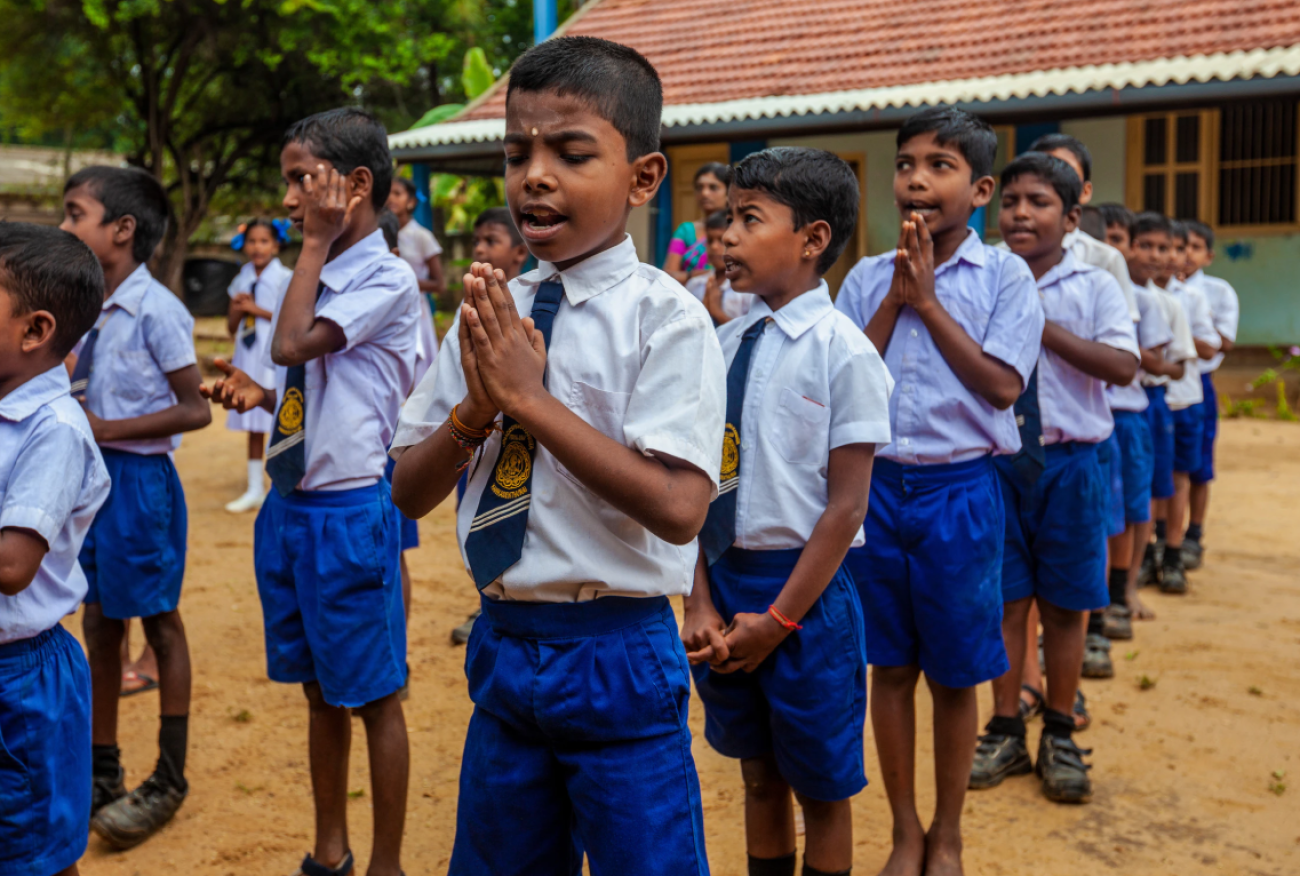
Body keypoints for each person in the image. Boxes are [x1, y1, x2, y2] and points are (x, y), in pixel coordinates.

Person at [389, 36, 725, 875]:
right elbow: (405, 489)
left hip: (618, 651)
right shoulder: (492, 313)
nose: (534, 175)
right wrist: (477, 406)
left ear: (643, 178)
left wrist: (530, 403)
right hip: (504, 646)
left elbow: (682, 510)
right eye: (517, 153)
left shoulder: (667, 320)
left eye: (571, 153)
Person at [203, 108, 421, 876]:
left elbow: (293, 343)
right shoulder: (322, 273)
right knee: (319, 693)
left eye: (303, 179)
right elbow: (314, 384)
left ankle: (387, 863)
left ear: (355, 185)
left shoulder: (385, 278)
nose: (289, 200)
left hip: (349, 515)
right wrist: (264, 401)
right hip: (291, 509)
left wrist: (317, 243)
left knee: (373, 698)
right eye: (288, 180)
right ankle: (330, 849)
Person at [834, 107, 1044, 876]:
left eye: (941, 165)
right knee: (889, 667)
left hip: (961, 493)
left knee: (957, 673)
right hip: (878, 492)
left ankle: (948, 832)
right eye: (907, 163)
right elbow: (846, 382)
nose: (917, 179)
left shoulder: (1005, 278)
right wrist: (896, 295)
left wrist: (928, 302)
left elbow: (999, 387)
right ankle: (903, 829)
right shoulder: (863, 278)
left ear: (981, 188)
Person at [683, 147, 893, 876]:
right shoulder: (722, 342)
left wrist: (778, 622)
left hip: (805, 599)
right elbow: (697, 487)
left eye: (749, 219)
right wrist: (699, 599)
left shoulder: (846, 353)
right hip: (725, 585)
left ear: (812, 239)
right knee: (757, 772)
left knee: (822, 789)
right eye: (726, 219)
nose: (726, 237)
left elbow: (845, 508)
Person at [969, 153, 1138, 804]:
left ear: (1071, 219)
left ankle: (1061, 729)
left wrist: (1043, 327)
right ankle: (1007, 723)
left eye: (1038, 203)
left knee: (1067, 605)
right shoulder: (985, 281)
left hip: (1070, 465)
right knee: (1007, 601)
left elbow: (1122, 366)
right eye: (1009, 202)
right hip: (1002, 463)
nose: (1019, 214)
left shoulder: (1093, 285)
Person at [58, 166, 212, 848]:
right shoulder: (86, 304)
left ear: (121, 230)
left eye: (75, 213)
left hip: (141, 485)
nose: (65, 227)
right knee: (98, 621)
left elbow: (194, 408)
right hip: (92, 483)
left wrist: (106, 430)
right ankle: (102, 767)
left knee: (160, 623)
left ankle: (169, 774)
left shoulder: (157, 310)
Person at [0, 222, 111, 876]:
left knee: (33, 849)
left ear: (36, 331)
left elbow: (13, 565)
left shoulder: (55, 429)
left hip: (21, 681)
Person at [448, 207, 533, 647]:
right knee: (478, 517)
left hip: (521, 458)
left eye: (491, 241)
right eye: (477, 241)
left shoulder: (532, 313)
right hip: (476, 448)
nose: (480, 249)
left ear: (520, 252)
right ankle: (483, 598)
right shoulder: (469, 316)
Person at [1099, 206, 1175, 631]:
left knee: (1132, 507)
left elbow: (1158, 362)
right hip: (1093, 418)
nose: (1112, 247)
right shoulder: (1086, 286)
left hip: (1128, 415)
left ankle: (1125, 589)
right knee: (1103, 514)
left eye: (1118, 238)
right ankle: (1101, 598)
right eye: (1105, 238)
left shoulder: (1145, 300)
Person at [1150, 222, 1219, 594]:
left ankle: (1174, 553)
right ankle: (1151, 551)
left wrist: (1175, 337)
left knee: (1179, 478)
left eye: (1174, 249)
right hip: (1153, 399)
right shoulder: (1133, 295)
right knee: (1150, 481)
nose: (1168, 257)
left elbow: (1209, 345)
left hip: (1185, 398)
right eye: (1158, 249)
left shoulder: (1190, 298)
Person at [1129, 214, 1198, 592]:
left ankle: (1172, 554)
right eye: (1146, 246)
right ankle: (1148, 556)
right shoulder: (1118, 291)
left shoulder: (1168, 304)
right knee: (1140, 487)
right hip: (1128, 401)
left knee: (1168, 481)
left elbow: (1179, 364)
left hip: (1164, 400)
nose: (1156, 255)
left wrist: (1141, 359)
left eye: (1164, 248)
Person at [1025, 134, 1139, 321]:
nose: (1049, 186)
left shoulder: (1105, 259)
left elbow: (1120, 340)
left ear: (1085, 192)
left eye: (1065, 175)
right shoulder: (1002, 256)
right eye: (1039, 175)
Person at [223, 218, 293, 513]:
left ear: (276, 245)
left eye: (264, 241)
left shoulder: (285, 277)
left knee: (280, 417)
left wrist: (257, 310)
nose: (257, 247)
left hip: (271, 356)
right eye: (251, 241)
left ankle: (283, 481)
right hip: (247, 356)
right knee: (253, 422)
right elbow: (230, 326)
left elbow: (289, 320)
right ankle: (254, 487)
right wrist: (239, 308)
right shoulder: (242, 277)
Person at [1181, 220, 1238, 569]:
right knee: (1166, 466)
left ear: (1209, 256)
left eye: (1195, 247)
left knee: (1199, 465)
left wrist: (1180, 336)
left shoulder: (1219, 292)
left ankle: (1193, 534)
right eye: (1180, 245)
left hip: (1199, 382)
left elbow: (1224, 342)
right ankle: (1162, 536)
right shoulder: (1155, 290)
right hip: (1160, 384)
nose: (1185, 254)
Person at [664, 161, 732, 284]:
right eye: (699, 187)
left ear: (728, 192)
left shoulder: (737, 228)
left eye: (713, 187)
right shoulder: (685, 231)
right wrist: (693, 276)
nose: (704, 193)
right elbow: (667, 277)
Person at [686, 209, 755, 325]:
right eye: (710, 241)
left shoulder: (748, 290)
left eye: (721, 241)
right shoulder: (695, 285)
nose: (714, 247)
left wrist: (717, 312)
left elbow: (750, 334)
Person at [387, 176, 445, 301]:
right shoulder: (379, 233)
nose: (390, 198)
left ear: (411, 202)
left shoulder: (422, 236)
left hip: (415, 307)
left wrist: (400, 281)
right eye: (388, 193)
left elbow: (440, 284)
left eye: (397, 193)